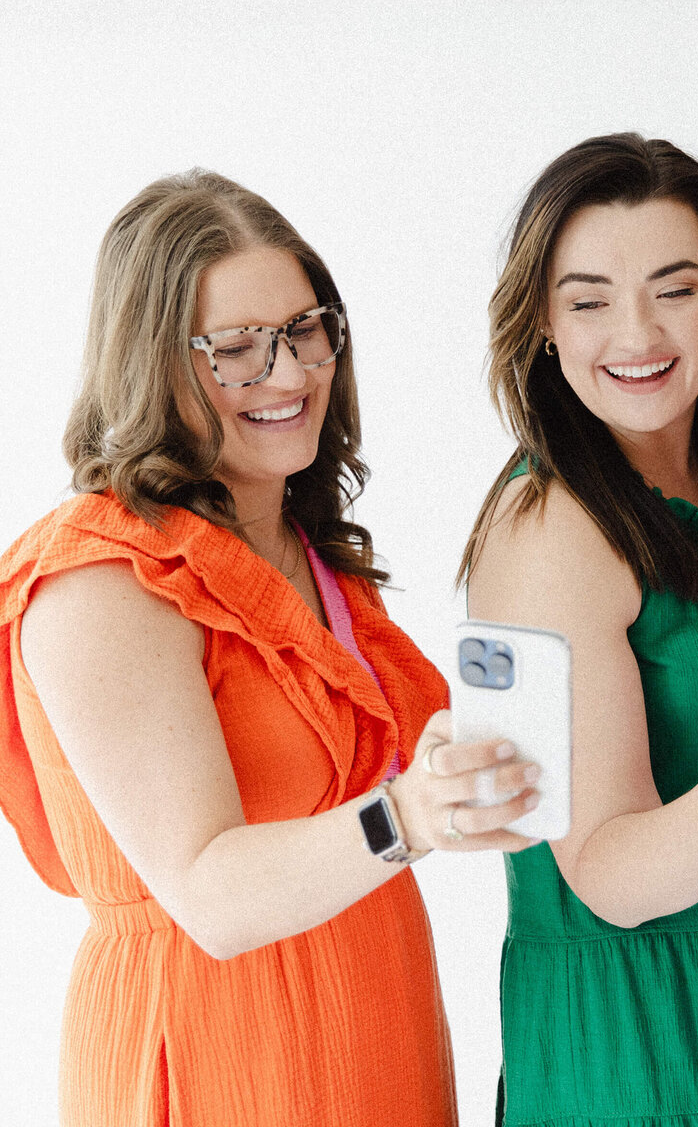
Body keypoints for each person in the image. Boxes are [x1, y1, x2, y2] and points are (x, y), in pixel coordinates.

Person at [0, 170, 541, 1127]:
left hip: (374, 1023)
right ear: (151, 363)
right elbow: (210, 894)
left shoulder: (305, 547)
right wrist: (408, 818)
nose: (289, 376)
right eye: (237, 351)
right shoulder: (97, 578)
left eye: (304, 330)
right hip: (218, 1052)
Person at [460, 133, 698, 1126]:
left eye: (672, 287)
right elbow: (601, 870)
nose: (636, 332)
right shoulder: (545, 532)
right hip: (650, 1048)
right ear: (542, 327)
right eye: (588, 299)